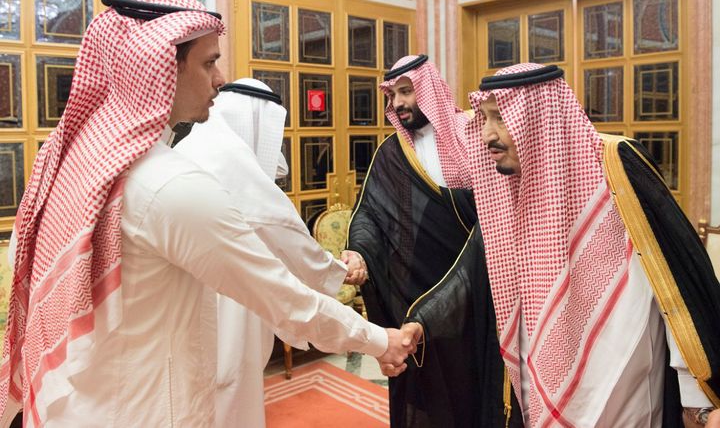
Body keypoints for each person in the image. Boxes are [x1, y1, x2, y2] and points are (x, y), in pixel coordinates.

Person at [0, 0, 415, 427]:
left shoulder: (71, 162)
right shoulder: (167, 184)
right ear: (158, 68)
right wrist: (379, 340)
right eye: (208, 62)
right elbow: (283, 297)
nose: (220, 79)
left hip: (72, 402)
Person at [403, 62, 720, 426]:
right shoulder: (504, 192)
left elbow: (677, 289)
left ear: (539, 119)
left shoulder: (617, 166)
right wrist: (421, 323)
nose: (488, 134)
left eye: (500, 118)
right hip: (538, 383)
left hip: (624, 386)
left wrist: (697, 398)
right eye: (485, 119)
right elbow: (470, 275)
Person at [173, 78, 364, 427]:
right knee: (231, 384)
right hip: (225, 296)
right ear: (254, 118)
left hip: (198, 290)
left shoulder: (197, 144)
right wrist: (336, 271)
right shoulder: (227, 155)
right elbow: (281, 227)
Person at [344, 55, 521, 427]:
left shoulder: (475, 134)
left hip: (481, 290)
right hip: (414, 293)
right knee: (426, 392)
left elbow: (501, 207)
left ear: (428, 89)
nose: (399, 103)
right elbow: (370, 214)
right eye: (392, 95)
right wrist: (359, 252)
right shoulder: (392, 152)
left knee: (477, 384)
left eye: (406, 91)